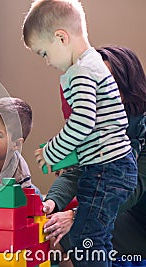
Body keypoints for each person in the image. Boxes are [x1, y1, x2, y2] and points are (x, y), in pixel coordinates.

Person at [23, 1, 138, 266]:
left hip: (106, 170)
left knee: (87, 239)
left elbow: (83, 121)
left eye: (44, 53)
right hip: (115, 166)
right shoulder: (95, 63)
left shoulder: (81, 72)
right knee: (96, 238)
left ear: (61, 37)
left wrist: (52, 151)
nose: (47, 62)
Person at [42, 46, 146, 265]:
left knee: (74, 238)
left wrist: (76, 216)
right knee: (51, 234)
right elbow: (75, 172)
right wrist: (51, 203)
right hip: (111, 211)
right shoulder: (95, 125)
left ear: (127, 86)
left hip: (139, 222)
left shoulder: (142, 127)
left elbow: (134, 190)